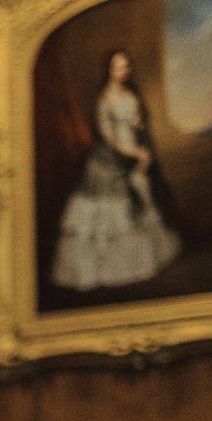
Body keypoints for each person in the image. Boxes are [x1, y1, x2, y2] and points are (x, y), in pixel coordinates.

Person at [48, 47, 183, 292]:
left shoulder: (130, 94)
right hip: (112, 157)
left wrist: (140, 139)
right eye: (118, 66)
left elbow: (138, 123)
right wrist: (134, 153)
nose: (123, 70)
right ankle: (108, 272)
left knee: (142, 200)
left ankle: (139, 264)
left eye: (126, 66)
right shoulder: (104, 99)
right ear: (109, 70)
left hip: (133, 148)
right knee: (112, 215)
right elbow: (108, 138)